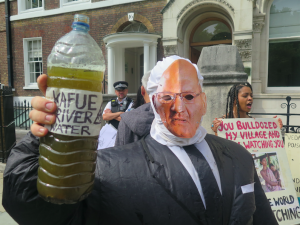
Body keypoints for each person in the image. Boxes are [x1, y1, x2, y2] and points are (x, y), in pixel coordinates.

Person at [3, 56, 278, 225]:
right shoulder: (111, 169)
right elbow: (32, 205)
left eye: (189, 96)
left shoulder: (239, 157)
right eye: (168, 97)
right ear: (152, 102)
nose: (179, 108)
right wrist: (52, 133)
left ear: (204, 101)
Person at [211, 82, 283, 135]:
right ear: (235, 100)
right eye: (245, 96)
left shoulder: (254, 123)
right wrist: (216, 131)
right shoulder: (223, 122)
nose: (250, 98)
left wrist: (274, 129)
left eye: (251, 96)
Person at [115, 71, 154, 146]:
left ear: (142, 91)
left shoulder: (129, 108)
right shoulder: (179, 118)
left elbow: (119, 153)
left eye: (122, 90)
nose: (120, 92)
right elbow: (104, 116)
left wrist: (118, 115)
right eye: (118, 90)